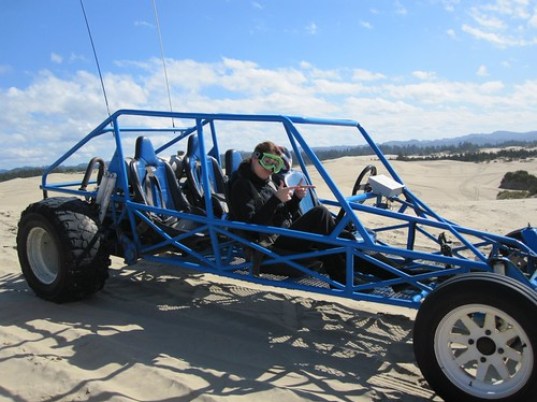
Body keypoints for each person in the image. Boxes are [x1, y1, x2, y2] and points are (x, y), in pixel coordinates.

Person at [229, 141, 347, 283]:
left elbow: (282, 214)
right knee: (320, 214)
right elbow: (251, 227)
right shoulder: (241, 187)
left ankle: (370, 270)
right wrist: (276, 199)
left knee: (343, 235)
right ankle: (342, 279)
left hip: (284, 236)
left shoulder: (270, 182)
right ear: (255, 157)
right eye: (267, 162)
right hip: (268, 248)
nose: (271, 168)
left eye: (276, 164)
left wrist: (296, 198)